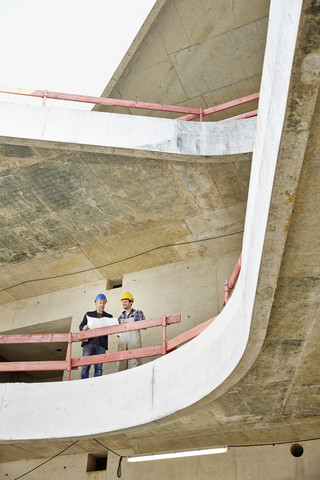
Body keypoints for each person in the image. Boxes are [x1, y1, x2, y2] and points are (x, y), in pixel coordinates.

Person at [79, 293, 113, 379]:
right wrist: (84, 328)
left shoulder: (109, 317)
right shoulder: (88, 314)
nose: (102, 304)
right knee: (85, 366)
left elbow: (113, 329)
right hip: (88, 343)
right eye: (100, 303)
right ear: (96, 303)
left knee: (99, 367)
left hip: (101, 344)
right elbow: (81, 326)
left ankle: (97, 385)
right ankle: (83, 383)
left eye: (104, 303)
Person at [117, 292, 145, 371]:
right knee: (121, 362)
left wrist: (132, 323)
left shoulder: (138, 313)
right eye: (122, 302)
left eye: (125, 301)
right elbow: (117, 333)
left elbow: (144, 327)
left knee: (135, 361)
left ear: (131, 302)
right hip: (122, 341)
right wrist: (120, 325)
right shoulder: (120, 318)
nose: (123, 303)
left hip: (134, 340)